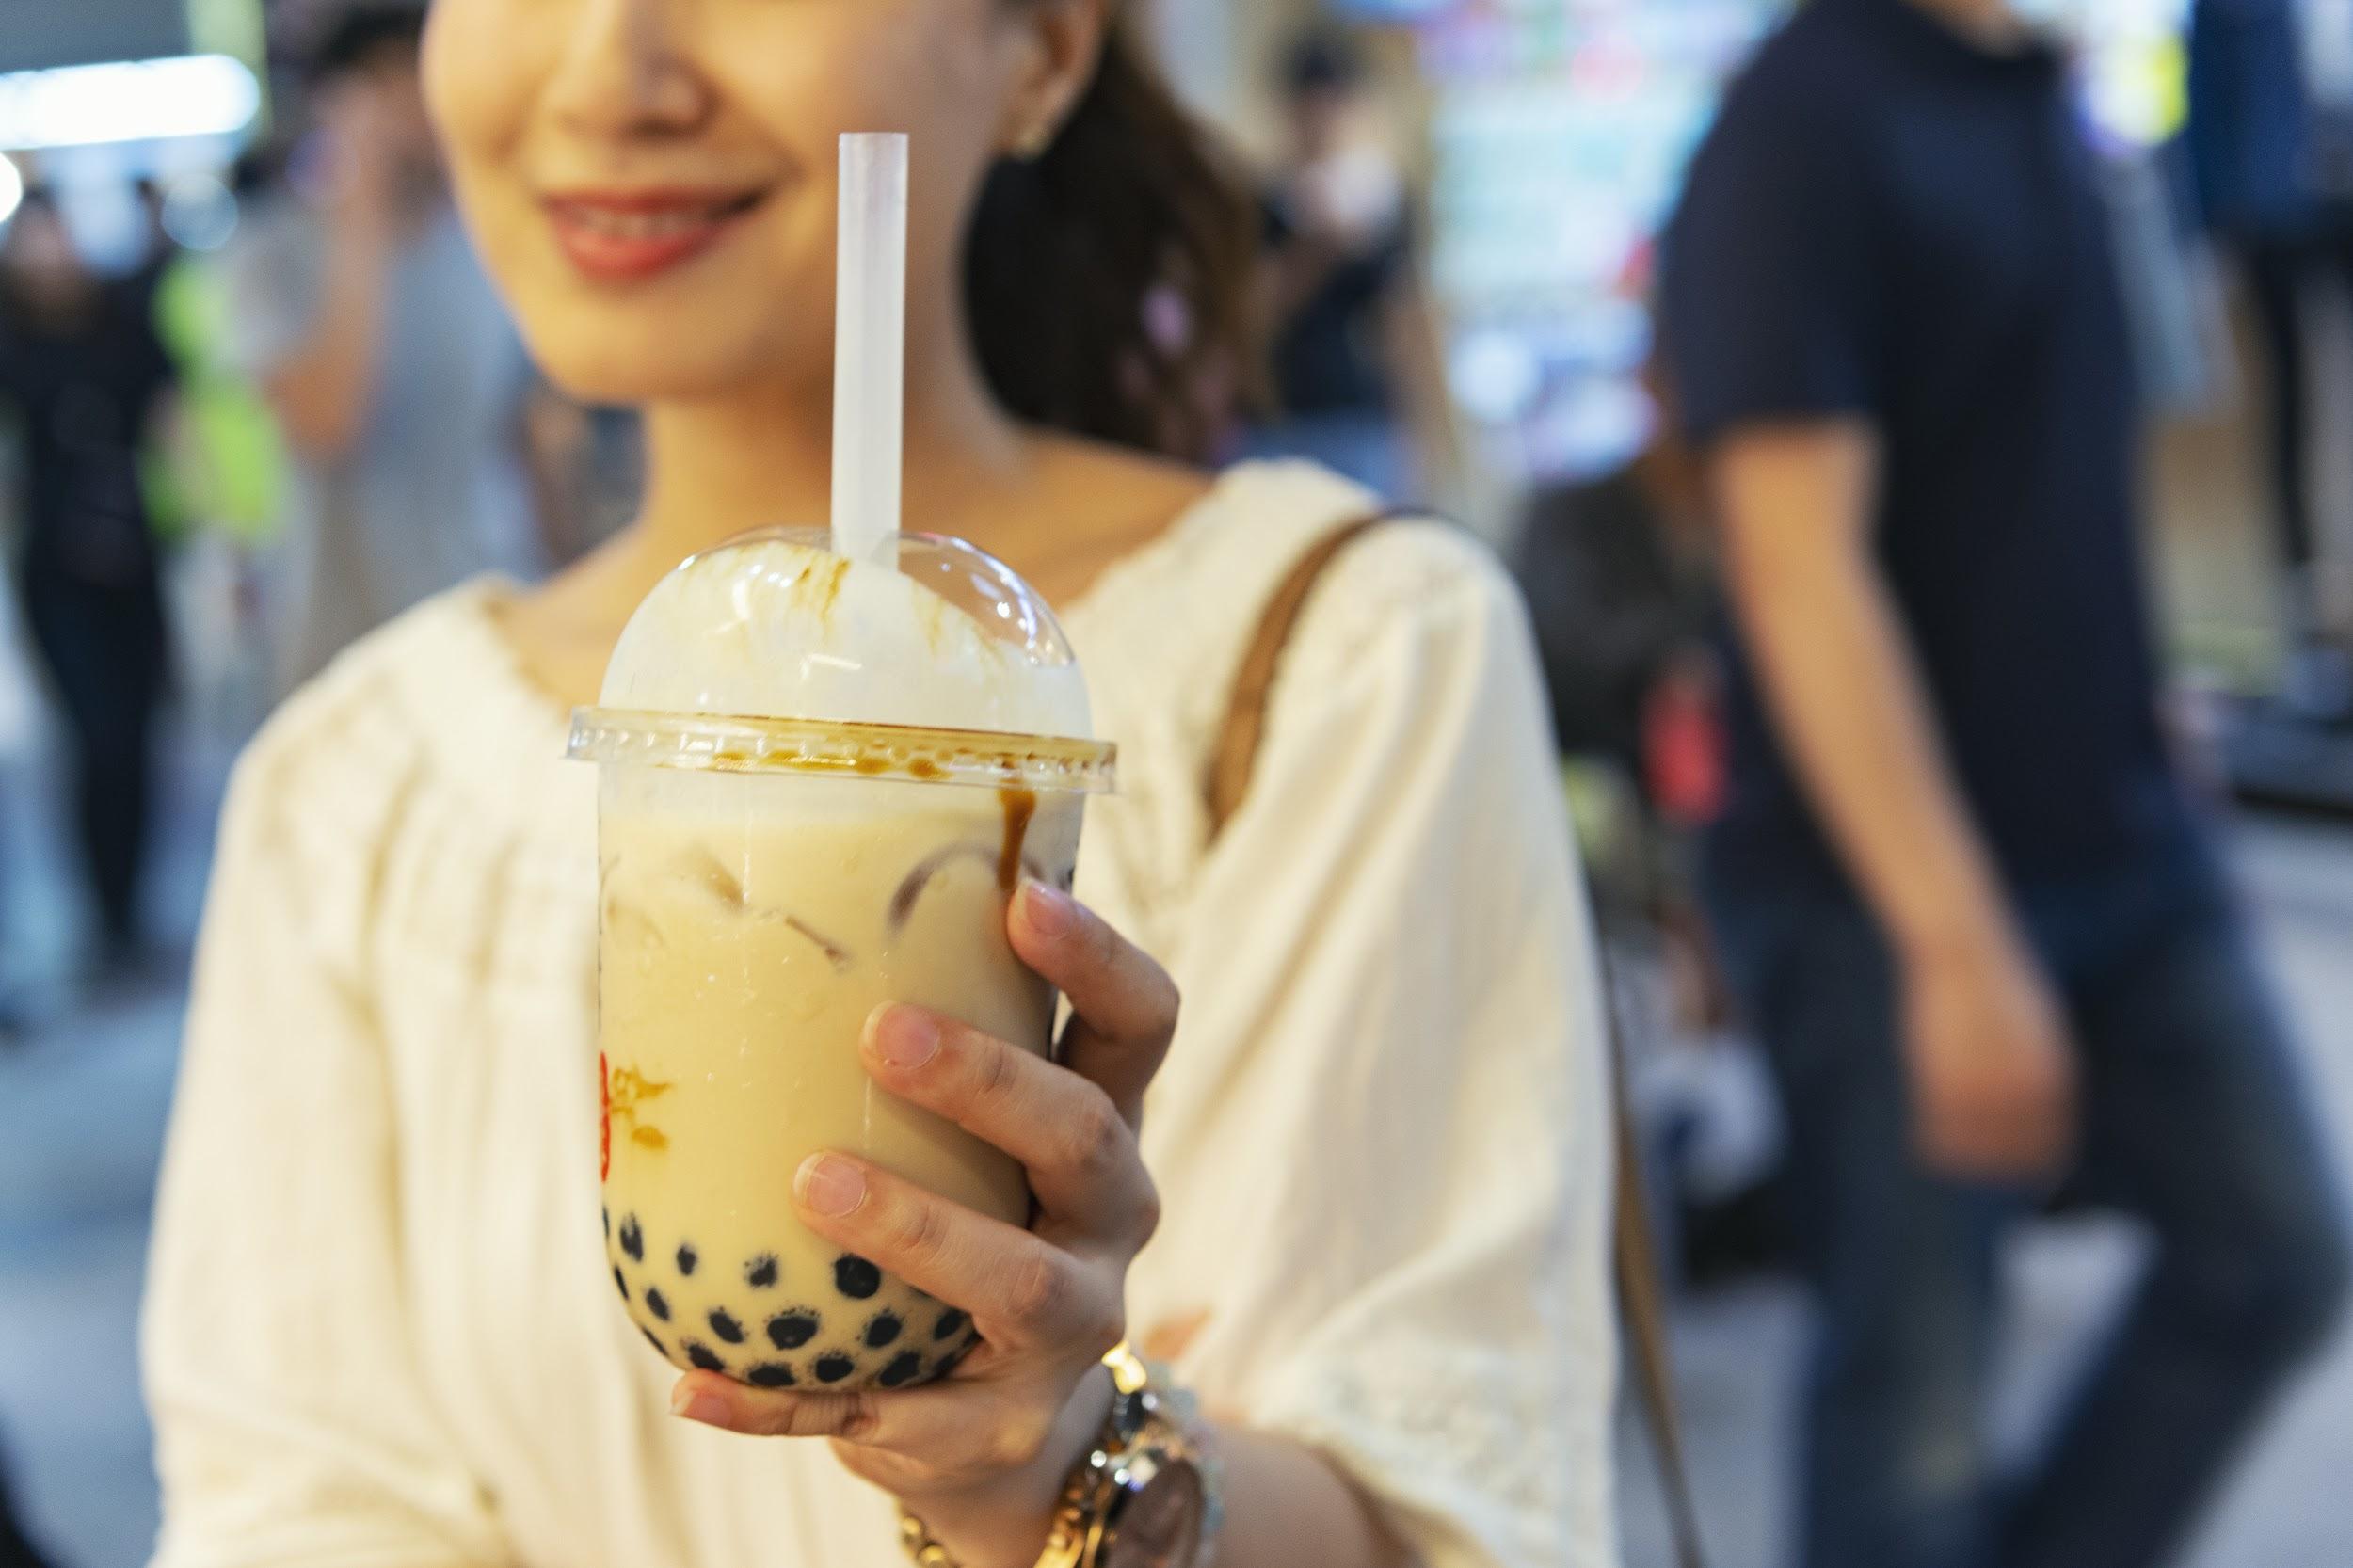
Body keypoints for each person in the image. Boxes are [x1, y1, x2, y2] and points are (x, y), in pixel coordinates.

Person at [142, 5, 1618, 1568]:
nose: (610, 74)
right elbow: (292, 1511)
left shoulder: (1343, 657)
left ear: (1043, 43)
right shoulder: (350, 786)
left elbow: (1457, 1507)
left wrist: (1066, 1476)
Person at [1661, 2, 2353, 1566]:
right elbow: (1797, 565)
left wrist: (2145, 705)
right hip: (1885, 894)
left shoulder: (2036, 89)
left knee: (2274, 1253)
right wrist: (1954, 945)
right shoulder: (1800, 123)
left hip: (2119, 831)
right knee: (1913, 1426)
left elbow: (2045, 463)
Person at [226, 4, 548, 693]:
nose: (415, 110)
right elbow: (327, 420)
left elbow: (530, 438)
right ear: (333, 107)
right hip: (342, 642)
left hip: (492, 624)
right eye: (386, 87)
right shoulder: (270, 255)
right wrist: (360, 215)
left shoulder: (491, 246)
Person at [0, 191, 178, 971]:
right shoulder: (11, 339)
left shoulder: (121, 321)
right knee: (96, 738)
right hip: (55, 570)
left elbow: (174, 420)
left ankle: (127, 918)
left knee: (139, 737)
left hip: (135, 559)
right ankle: (102, 921)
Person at [2187, 0, 2353, 716]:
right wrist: (2208, 233)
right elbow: (2205, 93)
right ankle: (2308, 620)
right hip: (2276, 210)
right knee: (2288, 413)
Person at [1250, 28, 1459, 504]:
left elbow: (1406, 323)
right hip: (1279, 421)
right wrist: (1316, 248)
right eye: (1309, 105)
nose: (1321, 120)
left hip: (1362, 423)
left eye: (1333, 103)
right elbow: (1252, 316)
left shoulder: (1382, 202)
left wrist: (1425, 434)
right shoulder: (1261, 204)